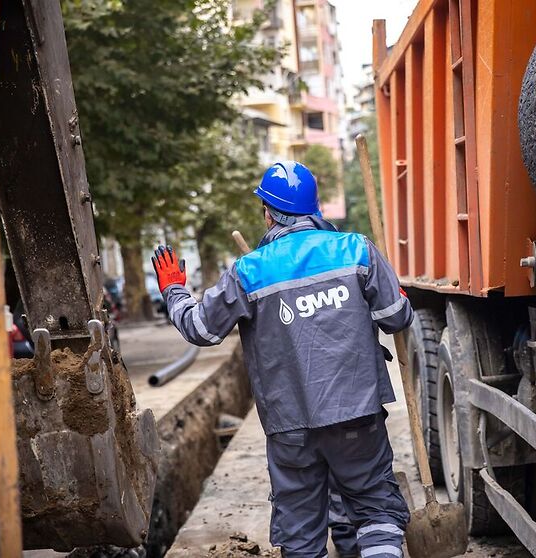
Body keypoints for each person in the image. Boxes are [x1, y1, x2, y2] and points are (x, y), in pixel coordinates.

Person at [152, 160, 412, 558]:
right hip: (358, 417)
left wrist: (174, 291)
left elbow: (201, 330)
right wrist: (398, 299)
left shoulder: (249, 272)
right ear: (316, 207)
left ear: (268, 212)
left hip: (291, 428)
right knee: (376, 513)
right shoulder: (356, 250)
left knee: (301, 536)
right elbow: (396, 318)